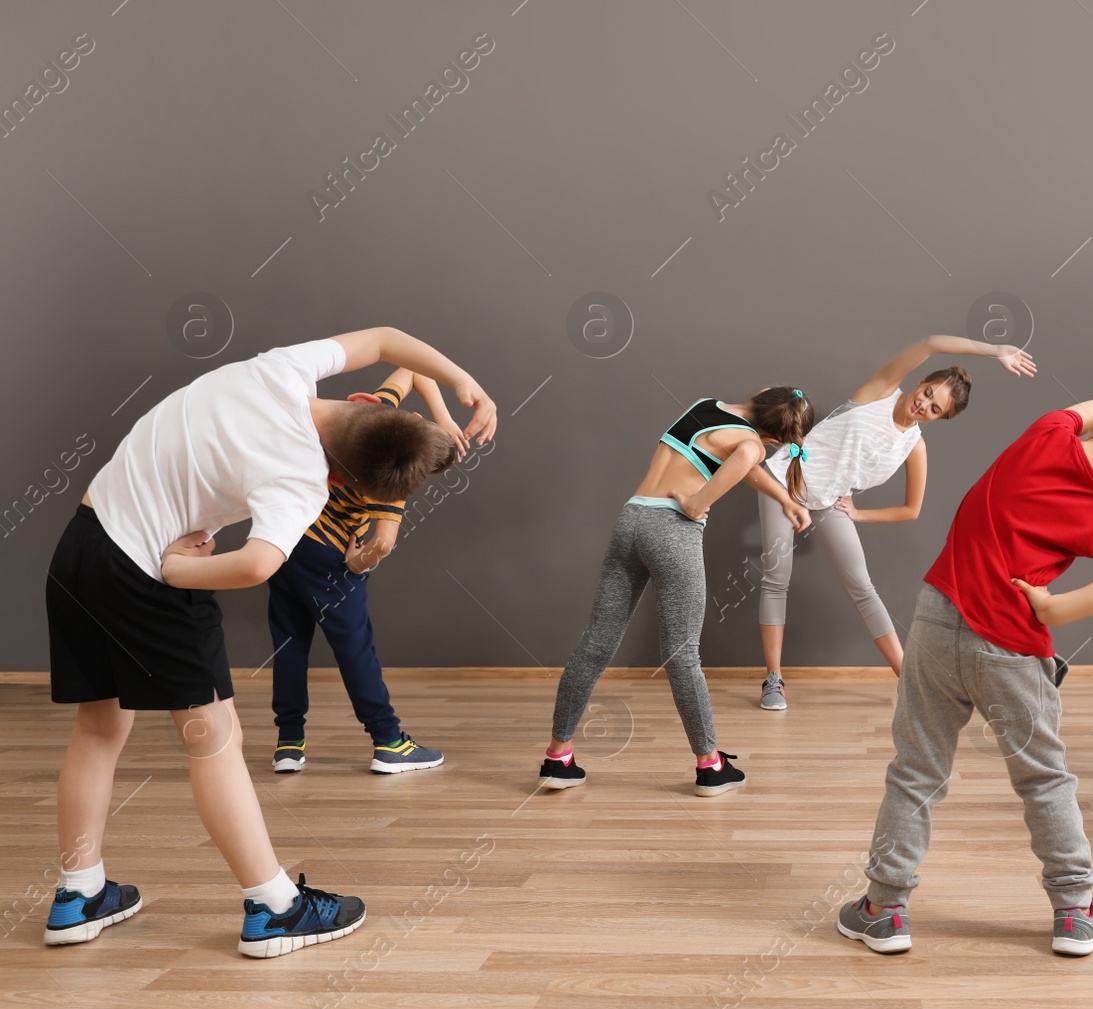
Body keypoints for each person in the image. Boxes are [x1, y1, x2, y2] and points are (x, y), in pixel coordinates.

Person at [43, 327, 494, 956]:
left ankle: (78, 892)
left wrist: (461, 381)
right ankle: (274, 908)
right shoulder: (305, 484)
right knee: (214, 738)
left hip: (81, 546)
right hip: (145, 571)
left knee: (99, 727)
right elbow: (258, 563)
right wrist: (180, 573)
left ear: (363, 405)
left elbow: (388, 339)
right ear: (346, 482)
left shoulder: (280, 370)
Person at [836, 398, 1093, 956]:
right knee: (1044, 780)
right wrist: (1053, 609)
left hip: (935, 619)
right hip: (1010, 649)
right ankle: (1076, 911)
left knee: (916, 770)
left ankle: (882, 909)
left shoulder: (1048, 432)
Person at [539, 389, 814, 796]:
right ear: (775, 440)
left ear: (762, 396)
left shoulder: (706, 406)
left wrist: (782, 498)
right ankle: (711, 766)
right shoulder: (752, 444)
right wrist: (696, 503)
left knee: (595, 645)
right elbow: (743, 459)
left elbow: (738, 461)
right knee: (682, 655)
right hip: (671, 531)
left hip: (630, 522)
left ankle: (557, 758)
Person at [754, 336, 1036, 710]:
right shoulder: (880, 391)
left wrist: (857, 514)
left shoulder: (913, 447)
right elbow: (932, 342)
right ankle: (773, 680)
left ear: (939, 419)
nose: (923, 404)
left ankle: (909, 680)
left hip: (825, 501)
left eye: (934, 408)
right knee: (777, 577)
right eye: (927, 392)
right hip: (782, 482)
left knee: (862, 586)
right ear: (920, 382)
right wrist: (995, 350)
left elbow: (911, 509)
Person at [268, 368, 466, 775]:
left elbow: (412, 368)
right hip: (327, 560)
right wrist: (357, 563)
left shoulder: (375, 417)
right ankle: (389, 742)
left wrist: (443, 416)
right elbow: (384, 542)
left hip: (284, 541)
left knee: (289, 643)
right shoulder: (392, 481)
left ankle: (289, 743)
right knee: (355, 650)